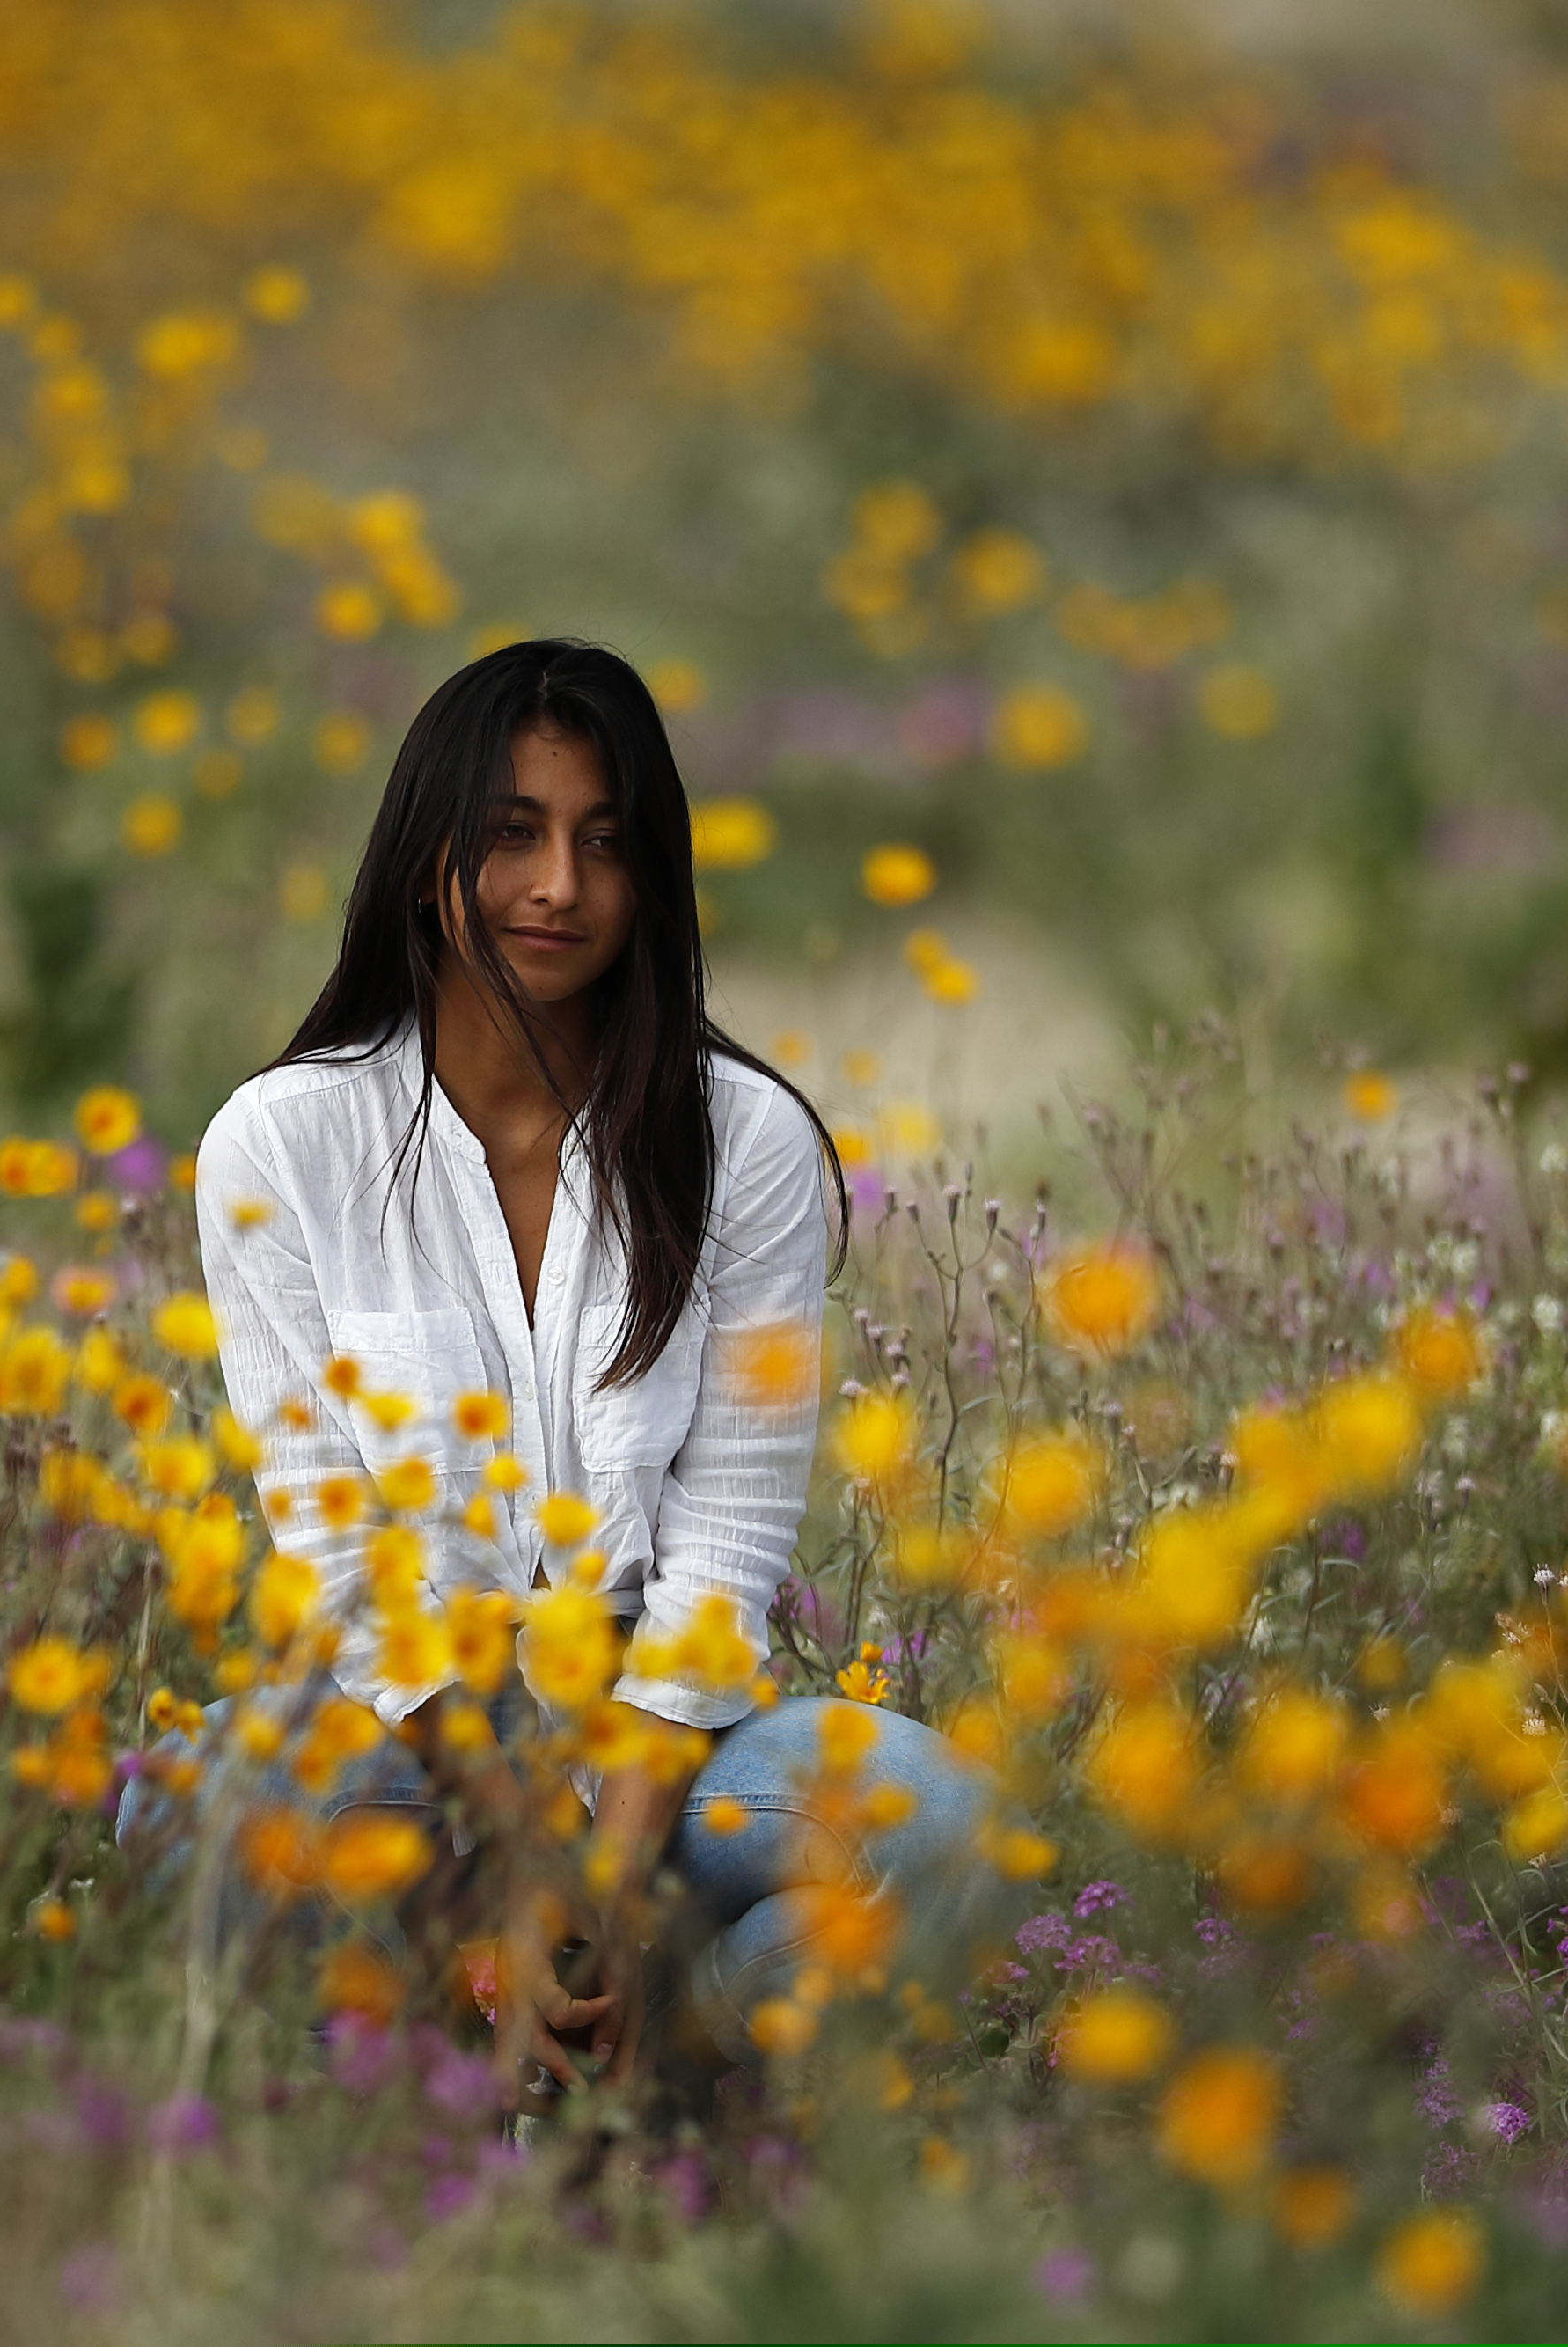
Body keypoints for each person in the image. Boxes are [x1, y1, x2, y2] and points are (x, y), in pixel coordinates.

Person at [119, 638, 1015, 2117]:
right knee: (175, 1827)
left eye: (604, 843)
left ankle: (652, 2059)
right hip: (408, 1741)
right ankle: (450, 2024)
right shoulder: (280, 1146)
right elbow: (343, 1563)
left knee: (958, 1843)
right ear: (426, 862)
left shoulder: (749, 1145)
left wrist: (588, 1878)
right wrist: (517, 1857)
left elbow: (721, 1554)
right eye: (512, 836)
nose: (558, 886)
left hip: (664, 1749)